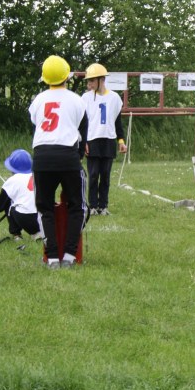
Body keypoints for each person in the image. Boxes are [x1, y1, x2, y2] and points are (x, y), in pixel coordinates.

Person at [29, 55, 88, 269]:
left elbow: (37, 126)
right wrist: (78, 156)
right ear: (67, 76)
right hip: (67, 155)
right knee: (77, 206)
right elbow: (83, 131)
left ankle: (52, 257)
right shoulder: (76, 99)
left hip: (42, 156)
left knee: (44, 208)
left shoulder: (38, 100)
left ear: (45, 79)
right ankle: (70, 256)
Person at [81, 63, 127, 216]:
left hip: (108, 141)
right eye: (88, 81)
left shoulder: (114, 98)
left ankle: (103, 206)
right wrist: (84, 142)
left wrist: (121, 141)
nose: (88, 84)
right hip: (92, 141)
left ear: (101, 80)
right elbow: (82, 123)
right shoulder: (85, 98)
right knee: (93, 175)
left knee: (105, 175)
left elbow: (117, 122)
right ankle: (92, 206)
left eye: (91, 81)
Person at [0, 149, 40, 242]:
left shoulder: (12, 180)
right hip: (44, 218)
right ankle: (38, 234)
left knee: (9, 204)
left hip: (25, 218)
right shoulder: (38, 176)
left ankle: (17, 235)